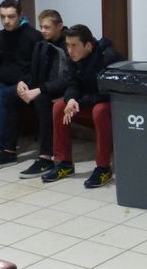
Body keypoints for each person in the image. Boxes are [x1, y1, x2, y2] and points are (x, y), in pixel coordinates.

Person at [41, 24, 122, 187]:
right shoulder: (73, 57)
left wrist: (77, 101)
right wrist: (71, 99)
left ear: (88, 45)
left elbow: (105, 93)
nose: (70, 50)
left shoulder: (108, 57)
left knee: (99, 111)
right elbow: (72, 83)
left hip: (110, 102)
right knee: (59, 107)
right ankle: (64, 163)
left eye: (74, 45)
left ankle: (103, 167)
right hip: (86, 100)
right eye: (67, 45)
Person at [0, 0, 40, 171]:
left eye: (11, 16)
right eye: (3, 17)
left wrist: (21, 81)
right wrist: (15, 78)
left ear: (20, 16)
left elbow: (36, 69)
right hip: (8, 82)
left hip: (29, 85)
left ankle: (0, 150)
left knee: (0, 96)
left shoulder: (33, 36)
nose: (6, 21)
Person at [16, 9, 71, 179]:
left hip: (67, 90)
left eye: (47, 27)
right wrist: (23, 83)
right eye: (41, 27)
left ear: (59, 26)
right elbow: (34, 71)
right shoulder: (42, 43)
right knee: (9, 96)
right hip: (46, 87)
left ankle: (45, 157)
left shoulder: (68, 45)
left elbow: (67, 80)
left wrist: (38, 90)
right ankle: (4, 150)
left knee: (41, 100)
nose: (43, 31)